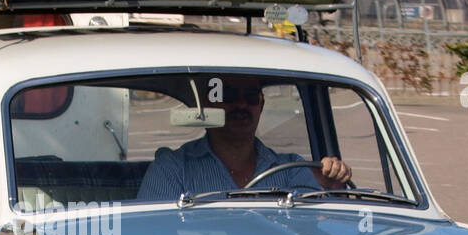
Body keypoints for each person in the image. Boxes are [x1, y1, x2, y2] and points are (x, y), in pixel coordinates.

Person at [137, 80, 352, 201]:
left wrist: (333, 188)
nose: (241, 105)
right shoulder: (173, 169)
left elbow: (312, 230)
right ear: (209, 105)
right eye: (229, 96)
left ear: (261, 106)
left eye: (250, 97)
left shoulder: (290, 168)